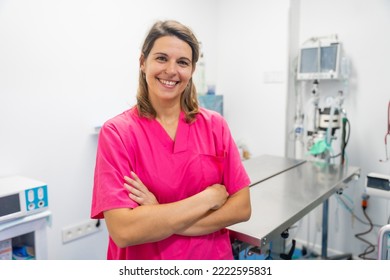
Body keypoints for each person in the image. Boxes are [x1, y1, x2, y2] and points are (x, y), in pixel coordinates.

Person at [91, 20, 251, 260]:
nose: (172, 70)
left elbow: (242, 208)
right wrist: (208, 198)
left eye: (183, 62)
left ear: (192, 70)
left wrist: (156, 214)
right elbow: (124, 230)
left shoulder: (214, 125)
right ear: (143, 63)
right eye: (162, 58)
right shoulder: (117, 133)